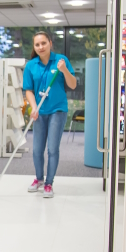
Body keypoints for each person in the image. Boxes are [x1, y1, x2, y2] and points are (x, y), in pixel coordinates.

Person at [23, 31, 77, 198]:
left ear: (50, 43)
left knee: (52, 148)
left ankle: (49, 183)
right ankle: (39, 179)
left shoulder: (61, 61)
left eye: (43, 43)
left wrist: (64, 71)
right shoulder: (31, 65)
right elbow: (29, 90)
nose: (40, 47)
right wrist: (33, 108)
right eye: (37, 44)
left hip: (57, 110)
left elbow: (73, 85)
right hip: (39, 111)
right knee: (37, 150)